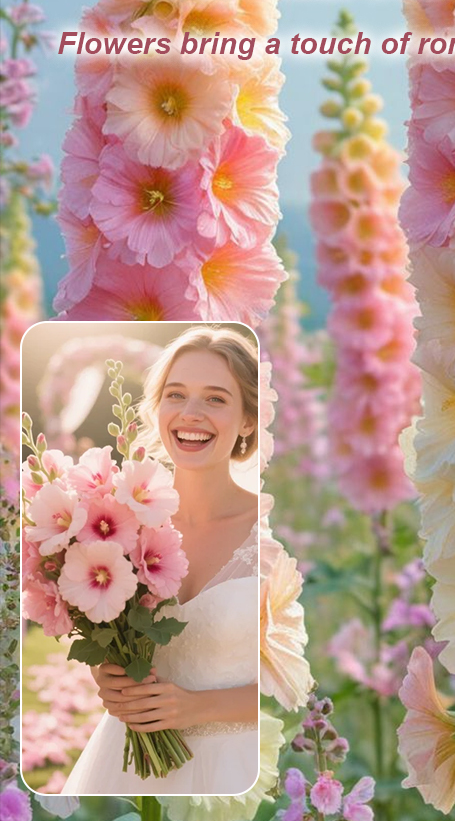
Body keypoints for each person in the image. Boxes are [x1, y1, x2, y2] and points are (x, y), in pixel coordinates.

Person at [63, 326, 260, 795]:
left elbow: (306, 690)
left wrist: (197, 708)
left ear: (248, 420)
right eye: (176, 394)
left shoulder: (276, 531)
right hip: (125, 763)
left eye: (215, 398)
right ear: (157, 408)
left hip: (233, 771)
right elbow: (107, 623)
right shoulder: (116, 523)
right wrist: (107, 673)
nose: (190, 414)